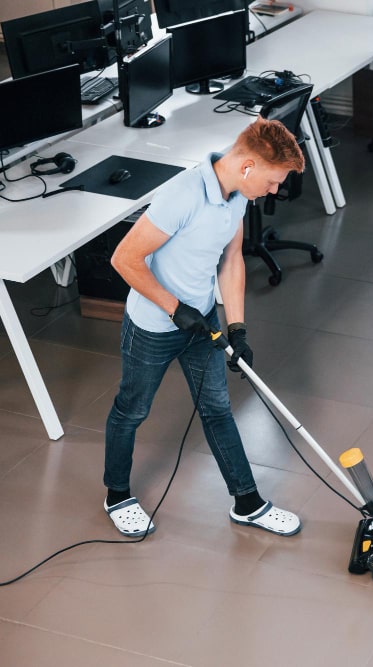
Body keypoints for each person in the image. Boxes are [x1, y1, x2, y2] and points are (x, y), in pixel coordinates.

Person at [103, 119, 304, 538]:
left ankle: (247, 502)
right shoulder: (183, 195)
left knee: (216, 408)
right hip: (153, 327)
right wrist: (175, 309)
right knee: (132, 410)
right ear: (248, 166)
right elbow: (124, 259)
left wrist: (237, 327)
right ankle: (117, 495)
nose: (273, 191)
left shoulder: (236, 196)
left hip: (202, 320)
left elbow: (231, 260)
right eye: (271, 182)